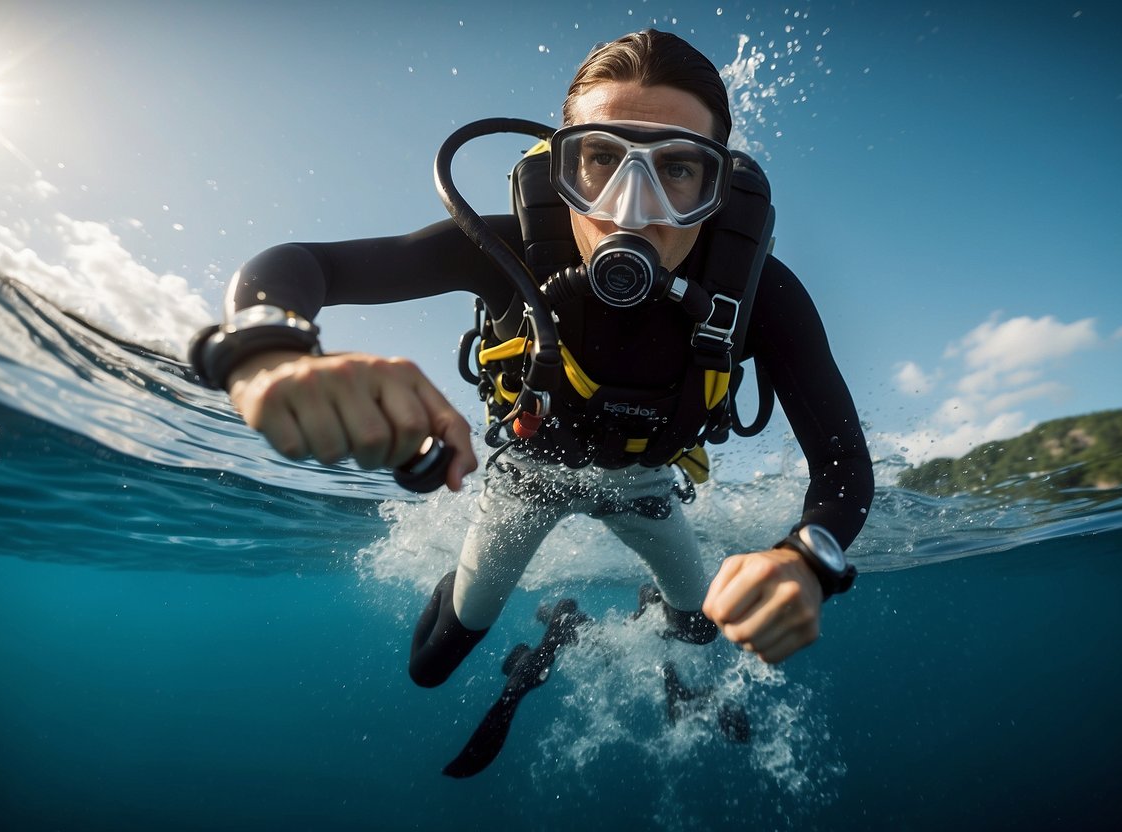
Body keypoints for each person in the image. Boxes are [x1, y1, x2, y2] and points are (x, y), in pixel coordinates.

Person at [190, 30, 874, 686]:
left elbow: (842, 466)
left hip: (644, 489)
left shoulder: (762, 295)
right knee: (431, 664)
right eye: (602, 159)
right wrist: (270, 352)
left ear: (716, 187)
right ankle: (548, 625)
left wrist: (805, 559)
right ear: (564, 168)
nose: (632, 211)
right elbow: (303, 264)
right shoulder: (501, 248)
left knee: (699, 627)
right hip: (529, 475)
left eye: (677, 167)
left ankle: (628, 613)